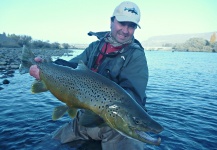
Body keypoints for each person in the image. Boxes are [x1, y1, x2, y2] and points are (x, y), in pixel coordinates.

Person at [30, 1, 149, 150]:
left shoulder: (136, 56)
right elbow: (73, 67)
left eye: (131, 26)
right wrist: (47, 66)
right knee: (49, 144)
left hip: (115, 125)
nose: (125, 30)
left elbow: (133, 96)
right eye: (121, 23)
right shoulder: (96, 46)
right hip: (86, 118)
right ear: (112, 21)